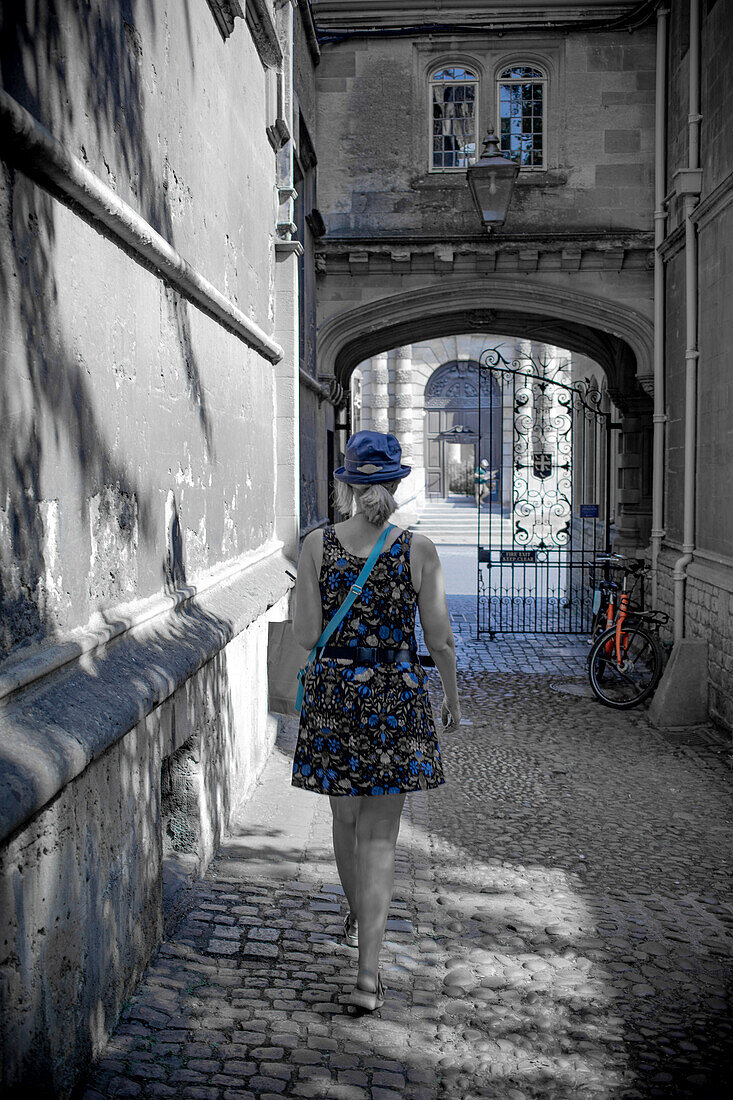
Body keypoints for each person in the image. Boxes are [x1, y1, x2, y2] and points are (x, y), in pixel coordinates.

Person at [291, 430, 461, 1014]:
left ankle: (358, 915)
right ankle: (368, 977)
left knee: (344, 818)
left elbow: (308, 636)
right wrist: (454, 701)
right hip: (395, 698)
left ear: (346, 485)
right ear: (394, 487)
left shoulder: (317, 546)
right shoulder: (419, 549)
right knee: (381, 836)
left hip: (336, 696)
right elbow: (438, 639)